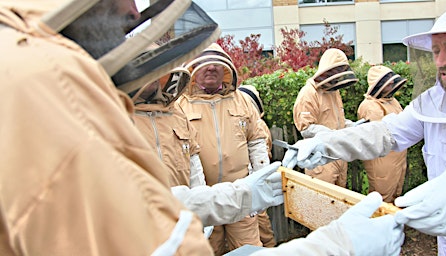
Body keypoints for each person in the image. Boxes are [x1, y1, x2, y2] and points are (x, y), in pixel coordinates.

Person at [0, 1, 404, 255]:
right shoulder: (43, 80)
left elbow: (135, 205)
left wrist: (241, 192)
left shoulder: (25, 68)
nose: (133, 12)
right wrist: (332, 249)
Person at [283, 4, 446, 255]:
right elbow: (386, 132)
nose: (441, 61)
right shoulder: (435, 101)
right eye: (436, 50)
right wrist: (328, 144)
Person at [176, 43, 271, 255]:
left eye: (216, 64)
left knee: (251, 250)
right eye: (203, 64)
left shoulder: (242, 100)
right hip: (205, 201)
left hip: (241, 196)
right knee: (208, 250)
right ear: (192, 70)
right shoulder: (180, 105)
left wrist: (260, 182)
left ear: (226, 69)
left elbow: (257, 142)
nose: (210, 68)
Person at [292, 48, 358, 187]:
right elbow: (306, 128)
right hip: (320, 158)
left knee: (341, 202)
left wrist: (351, 126)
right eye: (335, 71)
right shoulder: (309, 93)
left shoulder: (334, 91)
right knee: (323, 203)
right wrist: (329, 134)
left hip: (339, 154)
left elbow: (337, 120)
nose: (338, 75)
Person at [357, 65, 408, 203]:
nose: (391, 85)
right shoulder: (370, 106)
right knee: (381, 198)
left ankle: (392, 224)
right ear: (378, 84)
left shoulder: (392, 101)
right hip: (382, 160)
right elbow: (379, 134)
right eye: (388, 83)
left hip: (398, 158)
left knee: (395, 196)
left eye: (392, 82)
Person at [239, 84, 277, 248]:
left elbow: (263, 154)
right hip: (247, 186)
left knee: (263, 230)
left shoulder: (258, 125)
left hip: (253, 185)